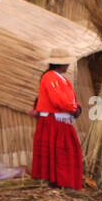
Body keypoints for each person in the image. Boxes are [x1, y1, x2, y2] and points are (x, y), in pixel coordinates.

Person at [28, 48, 85, 190]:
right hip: (54, 123)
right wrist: (74, 108)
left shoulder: (63, 80)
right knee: (60, 154)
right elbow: (58, 100)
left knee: (67, 152)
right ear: (61, 64)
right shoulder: (49, 77)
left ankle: (65, 184)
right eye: (67, 63)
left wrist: (77, 107)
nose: (68, 66)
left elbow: (70, 99)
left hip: (63, 122)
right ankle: (59, 184)